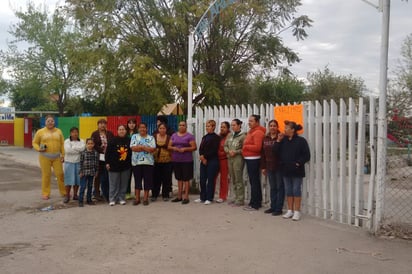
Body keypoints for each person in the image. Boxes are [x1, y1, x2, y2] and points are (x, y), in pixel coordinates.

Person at [274, 120, 310, 221]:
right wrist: (278, 140)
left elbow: (307, 155)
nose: (284, 130)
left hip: (296, 170)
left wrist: (298, 163)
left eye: (286, 128)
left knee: (296, 190)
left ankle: (297, 211)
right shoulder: (283, 140)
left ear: (293, 130)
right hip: (285, 169)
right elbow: (275, 152)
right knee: (288, 190)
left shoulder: (301, 141)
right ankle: (290, 210)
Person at [32, 115, 66, 200]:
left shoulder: (59, 131)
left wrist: (63, 155)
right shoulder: (40, 132)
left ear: (54, 122)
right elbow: (34, 143)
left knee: (60, 174)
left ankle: (64, 192)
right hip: (44, 157)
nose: (50, 122)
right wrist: (38, 149)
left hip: (57, 157)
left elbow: (62, 144)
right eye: (48, 121)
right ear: (45, 122)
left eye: (52, 121)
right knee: (46, 175)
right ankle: (45, 193)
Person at [168, 120, 197, 205]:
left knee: (186, 179)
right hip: (176, 160)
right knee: (179, 178)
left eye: (183, 125)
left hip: (186, 160)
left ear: (186, 126)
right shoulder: (174, 135)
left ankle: (186, 197)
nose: (181, 126)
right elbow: (169, 146)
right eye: (180, 125)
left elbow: (194, 147)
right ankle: (179, 196)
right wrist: (174, 148)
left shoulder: (189, 136)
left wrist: (185, 149)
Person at [242, 114, 266, 211]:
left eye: (251, 121)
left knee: (254, 181)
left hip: (254, 159)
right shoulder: (251, 131)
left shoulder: (258, 132)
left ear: (257, 122)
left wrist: (246, 146)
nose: (249, 123)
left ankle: (255, 204)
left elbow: (257, 147)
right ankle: (255, 201)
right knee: (253, 181)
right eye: (249, 121)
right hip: (249, 158)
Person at [261, 120, 284, 216]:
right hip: (269, 165)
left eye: (274, 126)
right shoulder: (265, 138)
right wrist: (263, 167)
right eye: (270, 126)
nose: (272, 127)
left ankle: (278, 208)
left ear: (277, 127)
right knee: (273, 187)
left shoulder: (281, 138)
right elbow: (262, 153)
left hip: (279, 166)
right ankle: (273, 206)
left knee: (280, 187)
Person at [105, 124, 132, 206]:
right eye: (120, 129)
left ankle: (122, 198)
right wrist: (107, 163)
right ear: (117, 131)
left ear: (125, 131)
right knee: (113, 183)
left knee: (124, 183)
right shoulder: (112, 140)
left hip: (126, 166)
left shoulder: (129, 140)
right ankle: (112, 199)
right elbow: (107, 153)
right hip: (114, 165)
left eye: (123, 129)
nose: (121, 131)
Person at [195, 120, 220, 205]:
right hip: (203, 160)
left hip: (212, 161)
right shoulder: (204, 137)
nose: (207, 128)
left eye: (209, 126)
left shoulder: (216, 138)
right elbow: (201, 148)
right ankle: (202, 197)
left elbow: (214, 150)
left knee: (210, 180)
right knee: (202, 179)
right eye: (206, 126)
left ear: (213, 127)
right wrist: (202, 156)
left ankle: (209, 198)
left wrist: (205, 157)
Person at [130, 122, 156, 206]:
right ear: (138, 129)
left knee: (147, 181)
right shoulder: (134, 136)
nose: (142, 129)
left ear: (147, 128)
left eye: (144, 127)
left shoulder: (151, 138)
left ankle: (145, 198)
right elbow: (133, 148)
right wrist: (145, 148)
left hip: (148, 162)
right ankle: (137, 198)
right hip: (136, 162)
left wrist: (141, 147)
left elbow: (152, 149)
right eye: (140, 127)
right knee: (137, 181)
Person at [91, 118, 114, 202]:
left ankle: (107, 193)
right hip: (98, 157)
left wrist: (108, 151)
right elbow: (93, 145)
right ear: (98, 125)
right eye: (100, 123)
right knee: (98, 175)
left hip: (108, 157)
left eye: (104, 123)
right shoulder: (94, 133)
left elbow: (112, 143)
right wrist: (101, 150)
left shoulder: (110, 133)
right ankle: (96, 193)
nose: (102, 125)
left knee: (108, 175)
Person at [224, 119, 246, 207]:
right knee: (233, 178)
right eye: (232, 125)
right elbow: (225, 145)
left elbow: (244, 148)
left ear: (239, 125)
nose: (233, 127)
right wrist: (228, 151)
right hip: (230, 158)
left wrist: (236, 152)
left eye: (234, 125)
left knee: (238, 178)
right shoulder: (230, 135)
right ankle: (236, 197)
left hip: (238, 158)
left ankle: (240, 199)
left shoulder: (243, 136)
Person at [63, 127, 85, 203]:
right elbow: (68, 151)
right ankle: (67, 195)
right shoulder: (67, 141)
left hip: (78, 162)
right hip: (69, 162)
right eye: (73, 132)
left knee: (77, 180)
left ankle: (75, 195)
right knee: (68, 180)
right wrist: (78, 150)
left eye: (76, 132)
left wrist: (74, 147)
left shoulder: (82, 140)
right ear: (70, 133)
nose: (75, 133)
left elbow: (83, 149)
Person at [152, 123, 173, 201]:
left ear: (166, 129)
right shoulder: (154, 137)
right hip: (156, 161)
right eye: (160, 128)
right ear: (158, 129)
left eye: (164, 128)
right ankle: (154, 194)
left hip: (167, 161)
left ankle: (165, 195)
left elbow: (171, 148)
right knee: (156, 179)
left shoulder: (169, 138)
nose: (162, 130)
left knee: (166, 179)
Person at [79, 138, 99, 207]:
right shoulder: (83, 153)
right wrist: (80, 172)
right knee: (83, 186)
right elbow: (81, 163)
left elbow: (96, 163)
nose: (90, 145)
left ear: (93, 144)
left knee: (90, 186)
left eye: (91, 144)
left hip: (91, 173)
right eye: (88, 144)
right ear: (86, 144)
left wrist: (96, 171)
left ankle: (89, 200)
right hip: (84, 173)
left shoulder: (95, 153)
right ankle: (80, 201)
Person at [214, 121, 230, 203]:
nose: (222, 129)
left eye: (224, 127)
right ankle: (210, 194)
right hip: (216, 160)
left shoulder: (230, 137)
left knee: (224, 179)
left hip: (224, 160)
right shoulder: (218, 136)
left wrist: (221, 153)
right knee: (213, 177)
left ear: (228, 128)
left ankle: (223, 196)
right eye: (221, 127)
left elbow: (229, 149)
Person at [125, 118, 138, 199]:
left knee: (137, 176)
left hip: (136, 156)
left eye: (133, 123)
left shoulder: (138, 133)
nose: (131, 124)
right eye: (130, 123)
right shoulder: (125, 133)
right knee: (127, 176)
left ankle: (137, 193)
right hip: (127, 157)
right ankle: (127, 193)